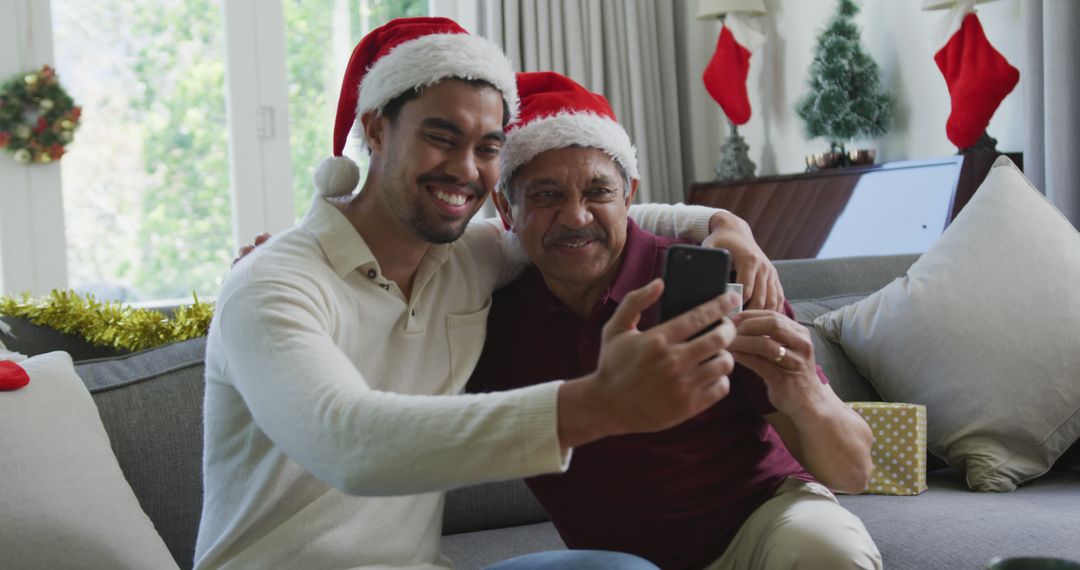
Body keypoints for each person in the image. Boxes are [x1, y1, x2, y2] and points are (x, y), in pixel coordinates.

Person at [197, 17, 773, 569]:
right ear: (375, 128)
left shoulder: (469, 257)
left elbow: (581, 222)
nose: (465, 170)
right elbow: (350, 442)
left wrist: (722, 223)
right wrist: (594, 404)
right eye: (441, 137)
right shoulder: (270, 284)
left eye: (488, 147)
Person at [467, 71, 882, 570]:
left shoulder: (722, 281)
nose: (576, 217)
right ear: (505, 208)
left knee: (827, 551)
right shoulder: (488, 311)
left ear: (629, 196)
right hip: (618, 563)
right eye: (546, 195)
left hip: (761, 527)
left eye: (599, 191)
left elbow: (853, 472)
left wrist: (805, 392)